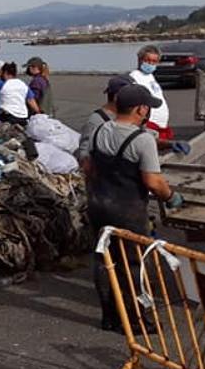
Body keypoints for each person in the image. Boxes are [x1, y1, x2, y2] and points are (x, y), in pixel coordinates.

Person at [87, 83, 183, 329]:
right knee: (133, 265)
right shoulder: (142, 141)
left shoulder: (100, 130)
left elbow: (88, 165)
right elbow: (153, 181)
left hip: (99, 205)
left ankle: (109, 317)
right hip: (128, 211)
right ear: (140, 109)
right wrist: (170, 196)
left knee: (104, 260)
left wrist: (167, 144)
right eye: (147, 108)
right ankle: (136, 321)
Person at [77, 74, 134, 173]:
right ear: (117, 97)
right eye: (131, 96)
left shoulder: (126, 116)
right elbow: (84, 154)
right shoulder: (97, 121)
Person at [128, 44, 172, 142]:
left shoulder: (150, 76)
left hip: (160, 126)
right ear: (140, 60)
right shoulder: (134, 77)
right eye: (147, 60)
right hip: (148, 125)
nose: (150, 64)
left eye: (154, 61)